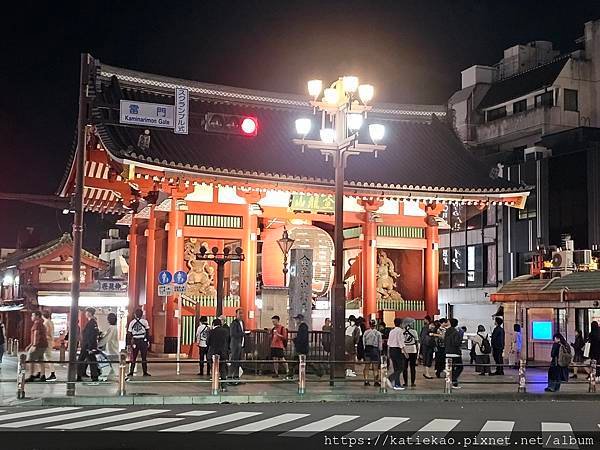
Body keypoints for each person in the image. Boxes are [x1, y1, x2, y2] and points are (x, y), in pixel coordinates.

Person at [77, 307, 100, 382]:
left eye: (86, 312)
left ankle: (80, 376)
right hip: (89, 345)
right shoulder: (93, 322)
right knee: (91, 360)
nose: (85, 314)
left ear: (89, 313)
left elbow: (91, 336)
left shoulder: (91, 323)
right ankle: (92, 375)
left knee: (81, 360)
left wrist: (90, 347)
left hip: (87, 345)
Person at [206, 318, 229, 391]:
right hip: (223, 353)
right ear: (220, 324)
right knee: (223, 370)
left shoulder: (211, 332)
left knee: (214, 369)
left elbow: (208, 343)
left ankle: (215, 386)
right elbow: (229, 341)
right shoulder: (225, 331)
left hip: (213, 353)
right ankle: (224, 386)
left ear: (213, 324)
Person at [25, 311, 48, 382]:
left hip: (38, 345)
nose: (31, 317)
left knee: (30, 358)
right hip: (43, 345)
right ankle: (42, 375)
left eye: (33, 315)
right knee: (41, 359)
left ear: (37, 316)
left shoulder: (37, 324)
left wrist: (34, 345)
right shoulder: (42, 323)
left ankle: (31, 375)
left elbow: (36, 334)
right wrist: (30, 345)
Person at [127, 308, 151, 378]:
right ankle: (145, 372)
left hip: (135, 340)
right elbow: (147, 332)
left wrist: (129, 343)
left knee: (133, 357)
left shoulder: (132, 323)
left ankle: (131, 372)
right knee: (144, 357)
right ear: (142, 314)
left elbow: (129, 333)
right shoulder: (145, 322)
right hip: (143, 341)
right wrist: (148, 341)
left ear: (135, 315)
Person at [385, 318, 407, 391]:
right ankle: (390, 378)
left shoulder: (392, 331)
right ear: (400, 324)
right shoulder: (400, 331)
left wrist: (388, 353)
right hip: (397, 350)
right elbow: (401, 342)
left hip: (391, 350)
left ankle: (397, 384)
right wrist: (405, 352)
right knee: (401, 367)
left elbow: (388, 343)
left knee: (396, 368)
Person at [362, 319, 382, 386]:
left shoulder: (366, 332)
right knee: (375, 366)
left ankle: (366, 381)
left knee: (367, 365)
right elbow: (380, 344)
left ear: (369, 324)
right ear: (375, 325)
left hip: (367, 349)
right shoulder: (378, 333)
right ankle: (376, 381)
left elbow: (363, 343)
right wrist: (380, 351)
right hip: (375, 350)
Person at [445, 318, 463, 388]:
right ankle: (454, 381)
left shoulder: (447, 331)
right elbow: (457, 343)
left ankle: (449, 382)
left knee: (450, 368)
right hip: (455, 353)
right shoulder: (456, 332)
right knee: (459, 367)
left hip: (447, 352)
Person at [229, 308, 246, 381]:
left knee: (238, 362)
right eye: (240, 313)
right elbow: (233, 334)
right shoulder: (234, 323)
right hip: (235, 345)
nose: (241, 315)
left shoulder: (243, 322)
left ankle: (236, 377)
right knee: (234, 361)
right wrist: (243, 333)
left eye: (242, 313)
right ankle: (230, 376)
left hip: (241, 344)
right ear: (236, 314)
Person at [402, 321, 419, 387]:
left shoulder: (401, 332)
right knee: (412, 367)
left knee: (404, 367)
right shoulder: (414, 331)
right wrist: (418, 352)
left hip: (404, 350)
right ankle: (412, 382)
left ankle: (405, 382)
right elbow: (417, 342)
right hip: (413, 349)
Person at [41, 311, 56, 381]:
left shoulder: (45, 323)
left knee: (48, 357)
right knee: (48, 357)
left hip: (47, 341)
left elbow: (47, 332)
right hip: (50, 341)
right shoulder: (51, 322)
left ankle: (52, 373)